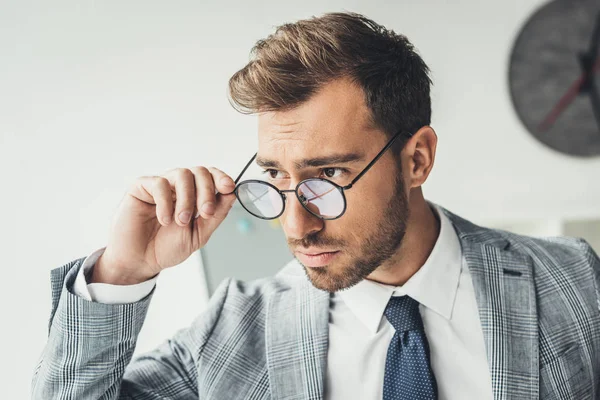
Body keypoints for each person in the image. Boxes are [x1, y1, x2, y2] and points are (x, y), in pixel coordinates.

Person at [31, 12, 599, 400]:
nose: (296, 224)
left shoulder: (573, 280)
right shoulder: (235, 330)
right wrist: (121, 275)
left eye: (329, 174)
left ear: (417, 160)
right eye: (275, 176)